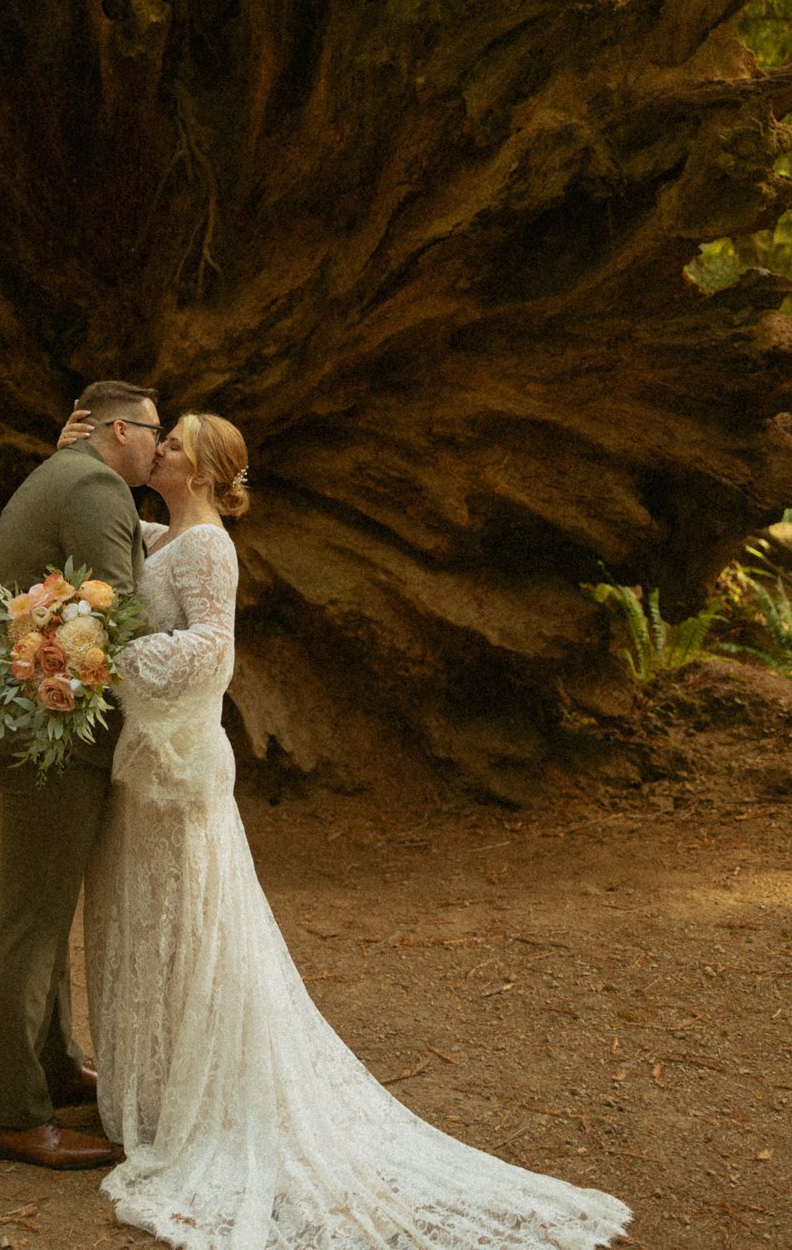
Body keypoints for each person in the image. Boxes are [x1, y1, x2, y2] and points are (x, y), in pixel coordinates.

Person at [56, 407, 631, 1250]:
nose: (160, 448)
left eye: (173, 443)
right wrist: (75, 453)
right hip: (147, 767)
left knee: (184, 918)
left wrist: (116, 658)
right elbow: (118, 544)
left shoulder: (210, 545)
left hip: (176, 768)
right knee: (146, 920)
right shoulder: (162, 535)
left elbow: (212, 651)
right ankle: (152, 1090)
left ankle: (192, 1097)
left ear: (206, 472)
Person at [0, 379, 161, 1171]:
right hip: (56, 727)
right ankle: (17, 1116)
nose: (161, 443)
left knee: (44, 911)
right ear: (117, 431)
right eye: (154, 430)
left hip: (39, 720)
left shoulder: (62, 473)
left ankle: (50, 1065)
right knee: (33, 920)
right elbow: (121, 612)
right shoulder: (92, 484)